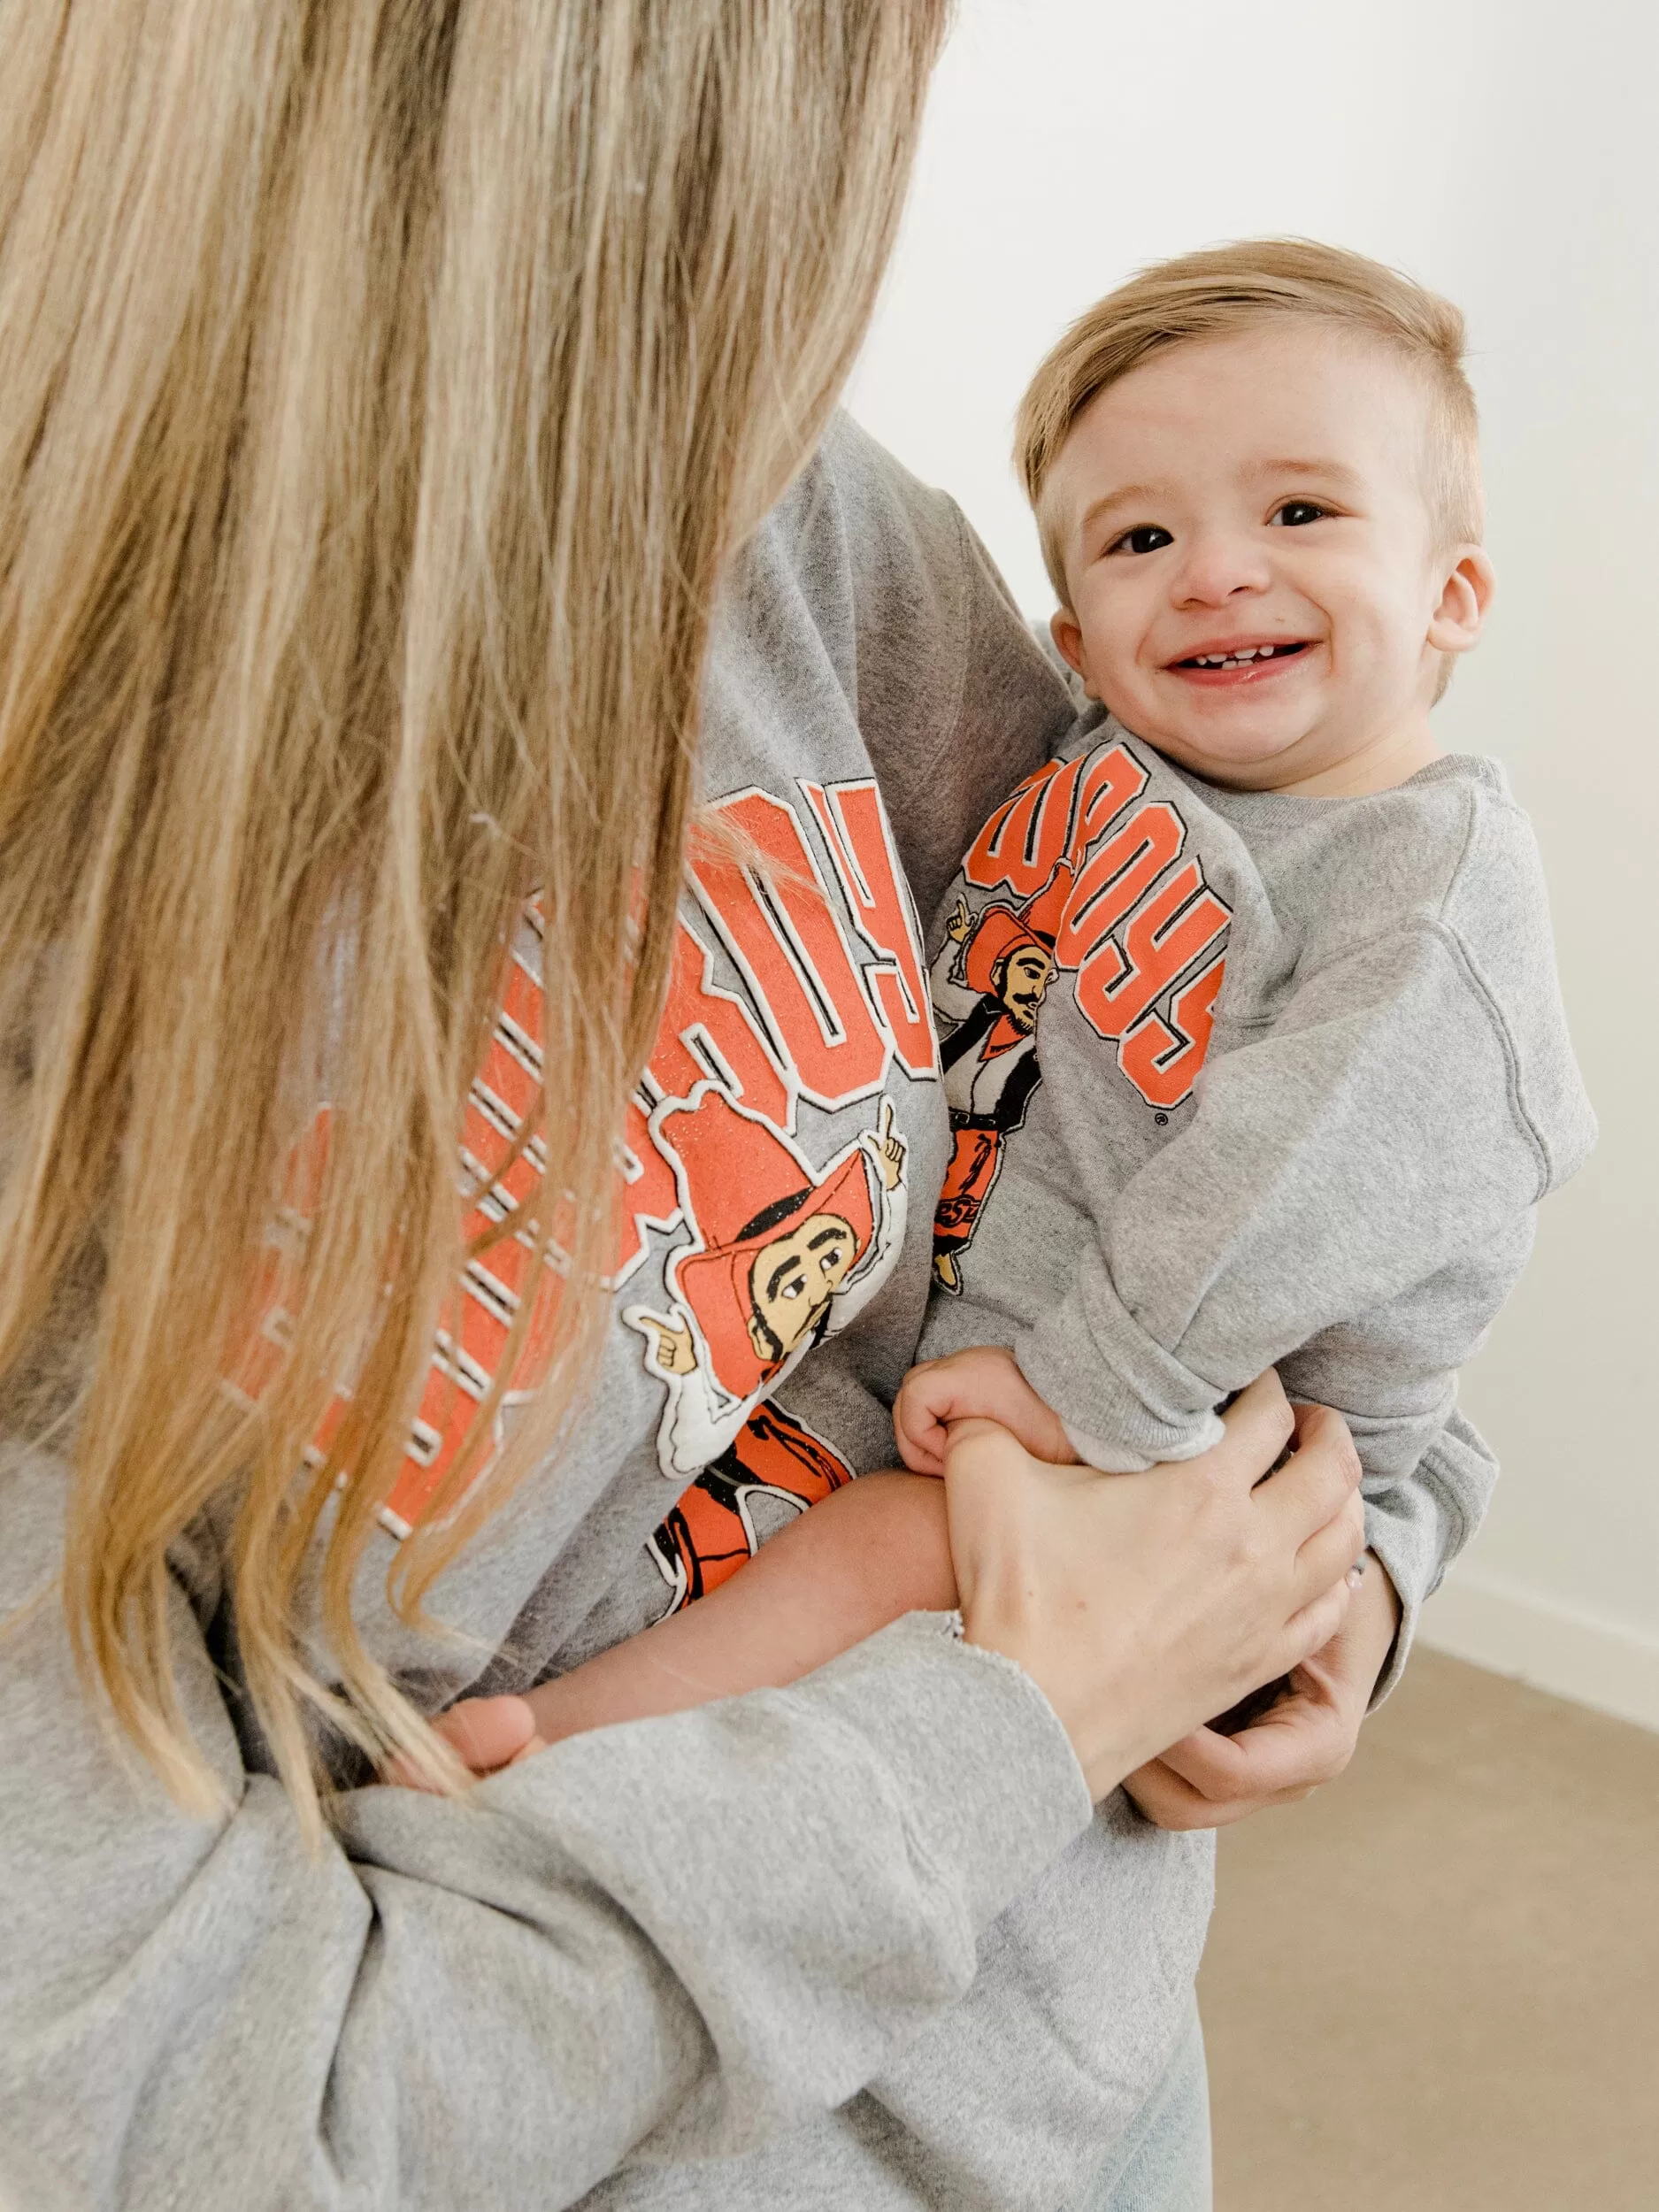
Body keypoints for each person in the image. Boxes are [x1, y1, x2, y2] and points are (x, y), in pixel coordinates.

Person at [0, 11, 1386, 2210]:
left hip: (1089, 2059)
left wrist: (1356, 1556)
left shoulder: (775, 518)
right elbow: (202, 2128)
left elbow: (1293, 1042)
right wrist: (1017, 1699)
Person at [408, 249, 1551, 2201]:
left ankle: (529, 1753)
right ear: (1069, 629)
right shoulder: (1115, 776)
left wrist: (1151, 1446)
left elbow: (1311, 1195)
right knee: (852, 1537)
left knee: (871, 1545)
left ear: (1451, 593)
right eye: (1140, 536)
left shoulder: (1424, 892)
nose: (1214, 568)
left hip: (1150, 1410)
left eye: (1297, 511)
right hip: (986, 1384)